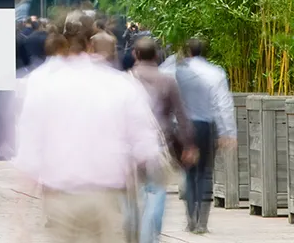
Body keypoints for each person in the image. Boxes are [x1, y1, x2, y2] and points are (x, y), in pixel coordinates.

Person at [13, 13, 162, 243]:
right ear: (91, 43)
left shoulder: (42, 85)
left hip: (60, 200)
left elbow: (29, 154)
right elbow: (146, 147)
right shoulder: (119, 84)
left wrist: (20, 218)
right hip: (106, 197)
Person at [125, 38, 196, 243]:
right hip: (159, 145)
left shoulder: (126, 80)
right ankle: (150, 237)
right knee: (156, 192)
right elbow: (181, 115)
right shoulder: (167, 81)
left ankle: (135, 234)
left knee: (134, 193)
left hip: (130, 147)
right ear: (156, 56)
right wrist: (189, 144)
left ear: (135, 55)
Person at [172, 38, 235, 235]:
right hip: (206, 126)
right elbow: (222, 104)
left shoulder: (178, 72)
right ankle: (202, 222)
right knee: (205, 172)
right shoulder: (216, 73)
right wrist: (227, 132)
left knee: (189, 173)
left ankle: (191, 217)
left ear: (188, 52)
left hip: (185, 127)